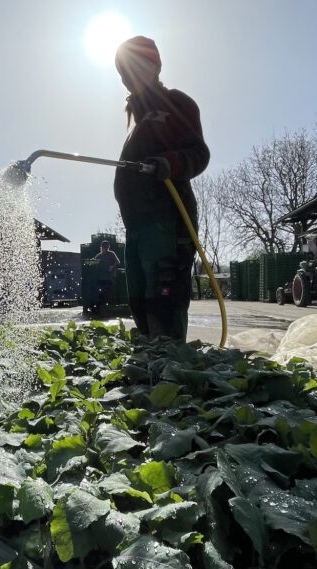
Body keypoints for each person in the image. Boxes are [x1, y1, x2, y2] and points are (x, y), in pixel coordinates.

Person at [113, 36, 210, 341]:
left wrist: (170, 162)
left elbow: (199, 153)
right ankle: (151, 368)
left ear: (155, 65)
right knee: (141, 302)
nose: (130, 77)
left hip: (167, 223)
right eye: (124, 73)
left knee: (164, 300)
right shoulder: (138, 122)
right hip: (137, 227)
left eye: (136, 67)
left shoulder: (176, 103)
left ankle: (171, 375)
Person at [93, 240, 121, 315]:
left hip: (109, 278)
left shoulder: (111, 254)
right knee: (101, 294)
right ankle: (102, 310)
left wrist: (112, 266)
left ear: (108, 247)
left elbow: (118, 262)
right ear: (101, 247)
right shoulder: (99, 256)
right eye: (104, 247)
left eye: (106, 247)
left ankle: (108, 309)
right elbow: (93, 263)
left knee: (108, 293)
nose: (105, 248)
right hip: (100, 278)